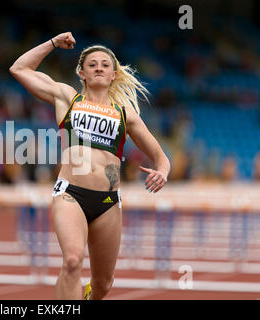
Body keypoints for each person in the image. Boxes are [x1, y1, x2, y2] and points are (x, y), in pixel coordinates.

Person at [10, 32, 170, 300]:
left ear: (113, 75)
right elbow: (19, 68)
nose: (99, 67)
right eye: (92, 64)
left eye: (105, 64)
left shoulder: (124, 114)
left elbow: (159, 154)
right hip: (70, 193)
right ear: (81, 73)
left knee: (103, 284)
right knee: (72, 261)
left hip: (107, 201)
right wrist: (52, 43)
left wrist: (162, 171)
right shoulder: (67, 98)